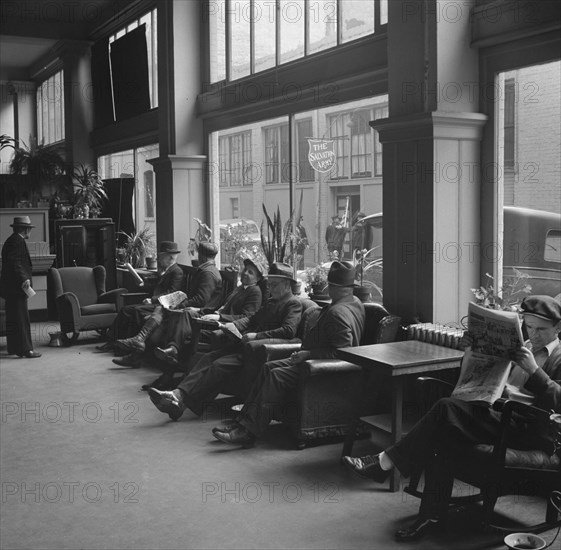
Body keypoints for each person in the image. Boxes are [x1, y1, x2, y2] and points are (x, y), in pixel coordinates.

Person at [342, 294, 561, 542]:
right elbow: (481, 378)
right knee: (444, 433)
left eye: (542, 329)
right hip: (497, 415)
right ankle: (430, 517)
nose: (534, 334)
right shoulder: (522, 348)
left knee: (446, 409)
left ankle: (384, 462)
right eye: (529, 327)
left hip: (528, 428)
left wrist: (534, 370)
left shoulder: (557, 356)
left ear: (558, 327)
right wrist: (473, 350)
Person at [210, 260, 366, 448]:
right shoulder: (355, 302)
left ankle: (248, 432)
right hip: (314, 361)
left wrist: (307, 354)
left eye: (330, 286)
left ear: (334, 287)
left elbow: (342, 352)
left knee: (276, 375)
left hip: (321, 369)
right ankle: (243, 422)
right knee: (268, 367)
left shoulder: (338, 313)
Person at [146, 262, 303, 421]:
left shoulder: (293, 303)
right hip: (245, 345)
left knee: (218, 365)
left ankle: (180, 401)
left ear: (287, 285)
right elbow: (250, 319)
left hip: (259, 352)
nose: (271, 288)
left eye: (275, 285)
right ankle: (178, 396)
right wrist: (233, 325)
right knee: (208, 358)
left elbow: (288, 330)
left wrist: (257, 336)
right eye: (270, 284)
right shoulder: (271, 302)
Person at [113, 242, 223, 367]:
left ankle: (137, 348)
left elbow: (200, 300)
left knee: (160, 315)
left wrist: (178, 305)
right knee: (159, 314)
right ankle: (137, 346)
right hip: (192, 311)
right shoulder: (205, 270)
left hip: (199, 314)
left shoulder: (208, 273)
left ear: (202, 255)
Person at [151, 257, 268, 367]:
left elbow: (246, 317)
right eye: (245, 270)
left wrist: (218, 317)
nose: (245, 273)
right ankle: (173, 349)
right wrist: (199, 310)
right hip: (212, 316)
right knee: (186, 313)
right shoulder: (240, 288)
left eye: (250, 272)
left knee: (181, 327)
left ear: (257, 279)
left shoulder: (254, 292)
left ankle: (172, 359)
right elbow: (218, 307)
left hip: (221, 325)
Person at [97, 241, 184, 352]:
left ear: (170, 257)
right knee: (126, 310)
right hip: (156, 303)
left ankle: (125, 346)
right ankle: (113, 342)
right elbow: (155, 286)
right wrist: (143, 284)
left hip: (163, 306)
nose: (158, 259)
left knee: (134, 311)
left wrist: (152, 300)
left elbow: (172, 293)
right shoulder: (166, 270)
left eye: (161, 257)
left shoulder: (177, 272)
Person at [0, 216, 41, 358]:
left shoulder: (12, 240)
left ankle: (13, 348)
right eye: (29, 228)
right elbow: (15, 262)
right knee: (21, 318)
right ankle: (26, 349)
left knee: (13, 318)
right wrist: (24, 278)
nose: (30, 231)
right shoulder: (17, 241)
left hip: (11, 288)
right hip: (17, 288)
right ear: (25, 229)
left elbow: (13, 262)